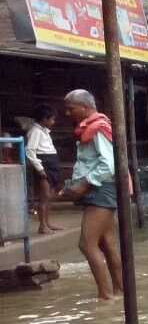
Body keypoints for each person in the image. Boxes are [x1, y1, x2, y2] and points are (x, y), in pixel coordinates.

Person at [58, 89, 123, 301]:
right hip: (102, 189)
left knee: (86, 244)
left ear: (85, 107)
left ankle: (106, 297)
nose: (68, 113)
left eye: (71, 109)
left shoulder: (97, 128)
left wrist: (84, 185)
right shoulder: (93, 127)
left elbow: (109, 164)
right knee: (106, 243)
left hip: (101, 190)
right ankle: (120, 293)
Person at [25, 105, 63, 234]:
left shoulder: (44, 131)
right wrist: (40, 169)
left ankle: (47, 223)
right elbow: (30, 151)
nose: (53, 122)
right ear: (44, 119)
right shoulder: (35, 131)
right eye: (51, 119)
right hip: (44, 165)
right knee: (45, 196)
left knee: (50, 196)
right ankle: (42, 226)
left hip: (51, 164)